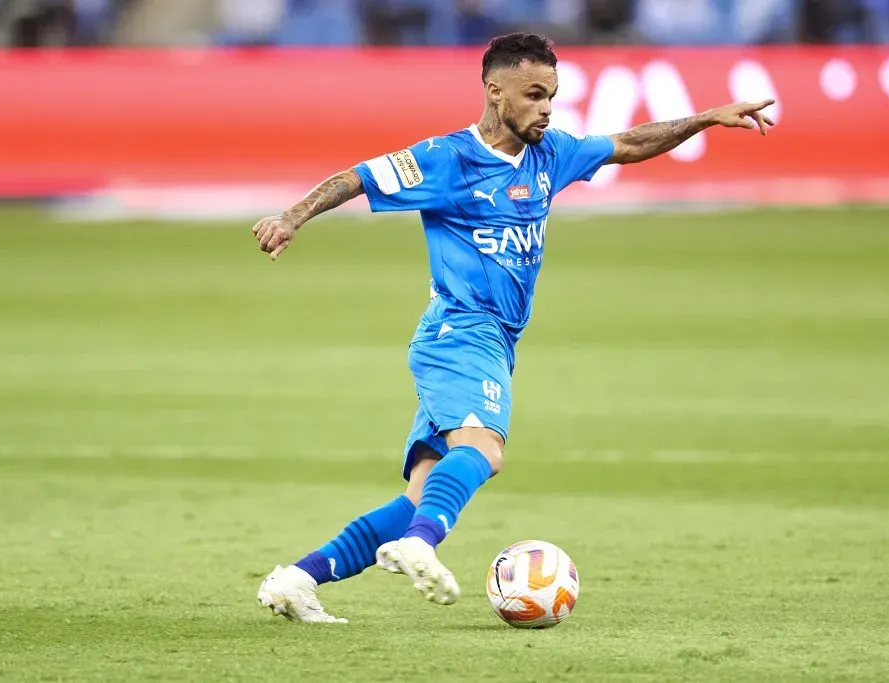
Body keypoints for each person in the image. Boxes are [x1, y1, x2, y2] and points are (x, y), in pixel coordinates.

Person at [253, 33, 774, 623]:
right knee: (485, 452)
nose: (546, 108)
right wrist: (291, 217)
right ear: (494, 91)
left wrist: (707, 117)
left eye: (552, 95)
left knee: (422, 494)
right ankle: (422, 543)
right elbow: (358, 177)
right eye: (533, 94)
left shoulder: (551, 155)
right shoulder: (447, 159)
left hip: (495, 342)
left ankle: (297, 579)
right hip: (461, 331)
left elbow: (628, 143)